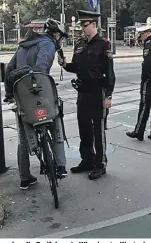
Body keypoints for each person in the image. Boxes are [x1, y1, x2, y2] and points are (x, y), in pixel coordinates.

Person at [4, 18, 69, 190]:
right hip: (38, 92)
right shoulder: (47, 44)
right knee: (55, 120)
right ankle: (61, 165)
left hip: (21, 96)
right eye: (61, 37)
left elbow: (9, 70)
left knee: (24, 138)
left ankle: (25, 177)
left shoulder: (24, 45)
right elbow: (40, 69)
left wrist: (10, 93)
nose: (61, 41)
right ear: (56, 34)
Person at [59, 10, 115, 180]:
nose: (82, 29)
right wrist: (65, 64)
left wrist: (109, 96)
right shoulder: (80, 44)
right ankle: (87, 160)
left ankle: (100, 164)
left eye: (85, 25)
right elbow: (76, 66)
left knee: (98, 131)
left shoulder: (104, 44)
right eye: (81, 26)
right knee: (84, 129)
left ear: (94, 25)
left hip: (98, 92)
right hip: (82, 92)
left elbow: (110, 73)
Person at [126, 24, 151, 142]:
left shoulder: (149, 45)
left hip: (150, 80)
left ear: (147, 33)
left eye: (142, 34)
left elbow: (147, 66)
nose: (141, 37)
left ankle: (138, 132)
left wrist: (144, 80)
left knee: (144, 105)